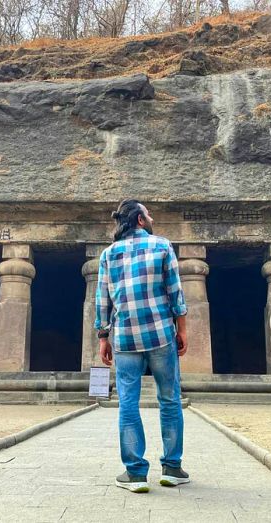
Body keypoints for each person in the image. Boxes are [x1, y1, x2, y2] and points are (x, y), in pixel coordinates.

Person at [95, 198, 190, 493]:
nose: (151, 218)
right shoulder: (162, 246)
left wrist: (103, 337)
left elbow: (102, 301)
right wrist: (182, 330)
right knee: (170, 398)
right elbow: (175, 293)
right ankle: (172, 468)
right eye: (148, 214)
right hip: (161, 334)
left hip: (124, 338)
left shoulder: (108, 255)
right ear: (139, 219)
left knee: (127, 402)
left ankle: (135, 473)